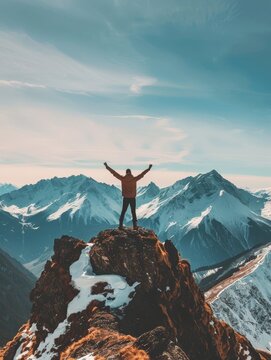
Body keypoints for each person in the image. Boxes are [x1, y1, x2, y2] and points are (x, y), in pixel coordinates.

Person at [104, 162, 152, 230]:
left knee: (123, 211)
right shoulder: (134, 179)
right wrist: (148, 169)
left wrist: (107, 166)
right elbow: (142, 174)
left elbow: (114, 173)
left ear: (126, 173)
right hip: (132, 198)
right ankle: (135, 226)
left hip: (125, 198)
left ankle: (120, 225)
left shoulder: (122, 178)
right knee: (133, 212)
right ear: (130, 172)